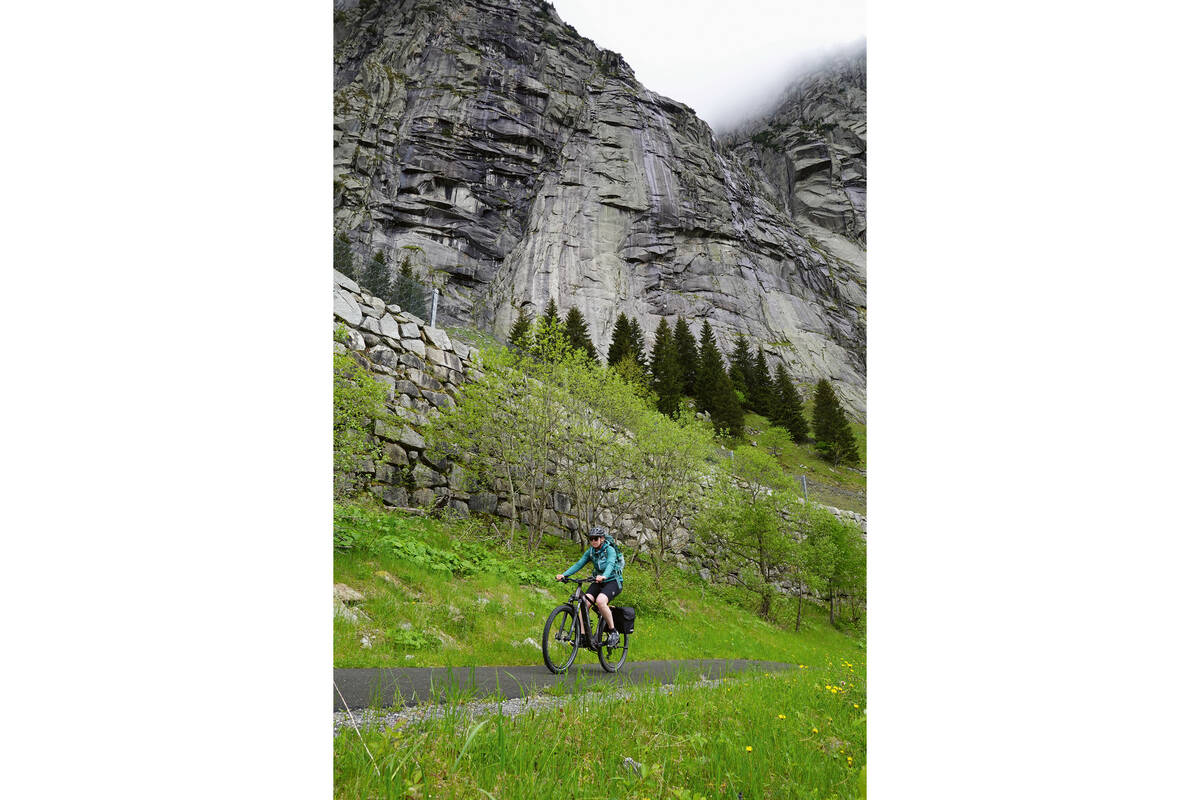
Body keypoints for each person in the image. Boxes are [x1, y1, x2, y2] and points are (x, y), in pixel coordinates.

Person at [556, 526, 623, 647]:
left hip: (613, 581)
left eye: (596, 539)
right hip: (598, 581)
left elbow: (610, 564)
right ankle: (583, 637)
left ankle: (613, 631)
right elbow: (579, 564)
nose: (593, 541)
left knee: (601, 601)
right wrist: (564, 575)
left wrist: (604, 576)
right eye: (591, 539)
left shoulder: (610, 550)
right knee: (583, 603)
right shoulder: (591, 551)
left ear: (602, 539)